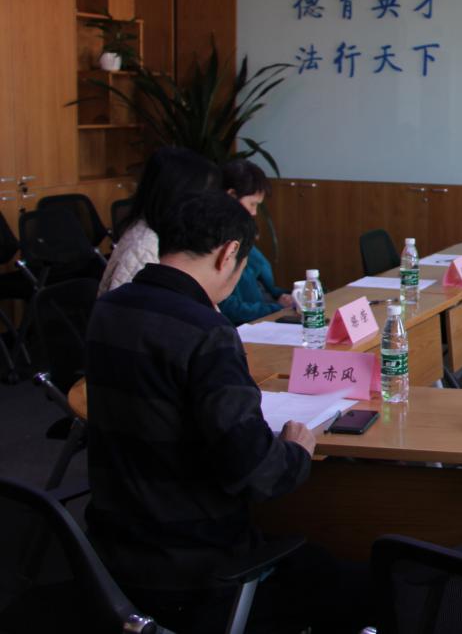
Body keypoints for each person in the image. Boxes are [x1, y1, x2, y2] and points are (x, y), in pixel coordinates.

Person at [85, 191, 367, 633]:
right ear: (229, 252)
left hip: (112, 560)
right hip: (197, 571)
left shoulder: (109, 308)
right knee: (361, 585)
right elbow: (255, 472)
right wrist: (295, 451)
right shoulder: (205, 332)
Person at [98, 146, 220, 295]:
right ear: (178, 194)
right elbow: (125, 308)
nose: (205, 205)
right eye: (202, 195)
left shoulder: (166, 235)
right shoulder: (144, 248)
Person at [218, 159, 294, 325]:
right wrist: (276, 308)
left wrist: (286, 295)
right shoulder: (218, 241)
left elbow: (262, 285)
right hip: (251, 323)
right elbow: (228, 308)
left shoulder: (242, 233)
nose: (254, 212)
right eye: (252, 204)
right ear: (231, 196)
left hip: (265, 314)